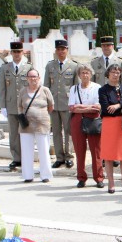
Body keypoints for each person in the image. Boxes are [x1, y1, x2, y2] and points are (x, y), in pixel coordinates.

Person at [44, 39, 79, 169]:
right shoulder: (50, 66)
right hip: (54, 103)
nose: (60, 52)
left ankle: (69, 156)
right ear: (56, 51)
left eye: (63, 49)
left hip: (68, 103)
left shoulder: (74, 66)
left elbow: (76, 87)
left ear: (67, 50)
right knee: (56, 131)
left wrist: (75, 103)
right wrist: (47, 102)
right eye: (58, 49)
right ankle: (59, 157)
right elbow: (46, 86)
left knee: (68, 131)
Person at [68, 64, 104, 189]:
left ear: (91, 74)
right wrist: (89, 107)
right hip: (77, 120)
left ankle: (99, 177)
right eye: (82, 73)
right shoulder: (74, 88)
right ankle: (81, 177)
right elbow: (72, 108)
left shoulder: (97, 87)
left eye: (87, 72)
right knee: (79, 150)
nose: (85, 75)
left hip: (93, 120)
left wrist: (82, 107)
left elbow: (98, 107)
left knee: (96, 150)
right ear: (79, 75)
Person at [0, 41, 32, 169]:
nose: (17, 54)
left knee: (26, 131)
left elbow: (31, 86)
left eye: (19, 51)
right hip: (11, 104)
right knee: (13, 133)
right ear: (11, 53)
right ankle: (16, 158)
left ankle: (26, 156)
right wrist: (3, 106)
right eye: (14, 52)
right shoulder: (5, 68)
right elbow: (2, 88)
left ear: (22, 52)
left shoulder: (28, 67)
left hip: (25, 105)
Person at [99, 64, 122, 194]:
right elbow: (106, 108)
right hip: (109, 123)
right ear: (108, 74)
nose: (115, 74)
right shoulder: (103, 90)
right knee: (108, 154)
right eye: (113, 72)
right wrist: (120, 108)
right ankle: (111, 183)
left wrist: (118, 105)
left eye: (118, 72)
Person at [18, 69, 54, 183]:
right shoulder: (23, 91)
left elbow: (51, 106)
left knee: (43, 150)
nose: (33, 79)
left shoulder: (45, 90)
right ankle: (28, 175)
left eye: (35, 76)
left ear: (39, 78)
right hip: (26, 125)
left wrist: (41, 115)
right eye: (30, 77)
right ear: (27, 78)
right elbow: (19, 106)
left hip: (42, 124)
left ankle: (45, 175)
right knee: (26, 150)